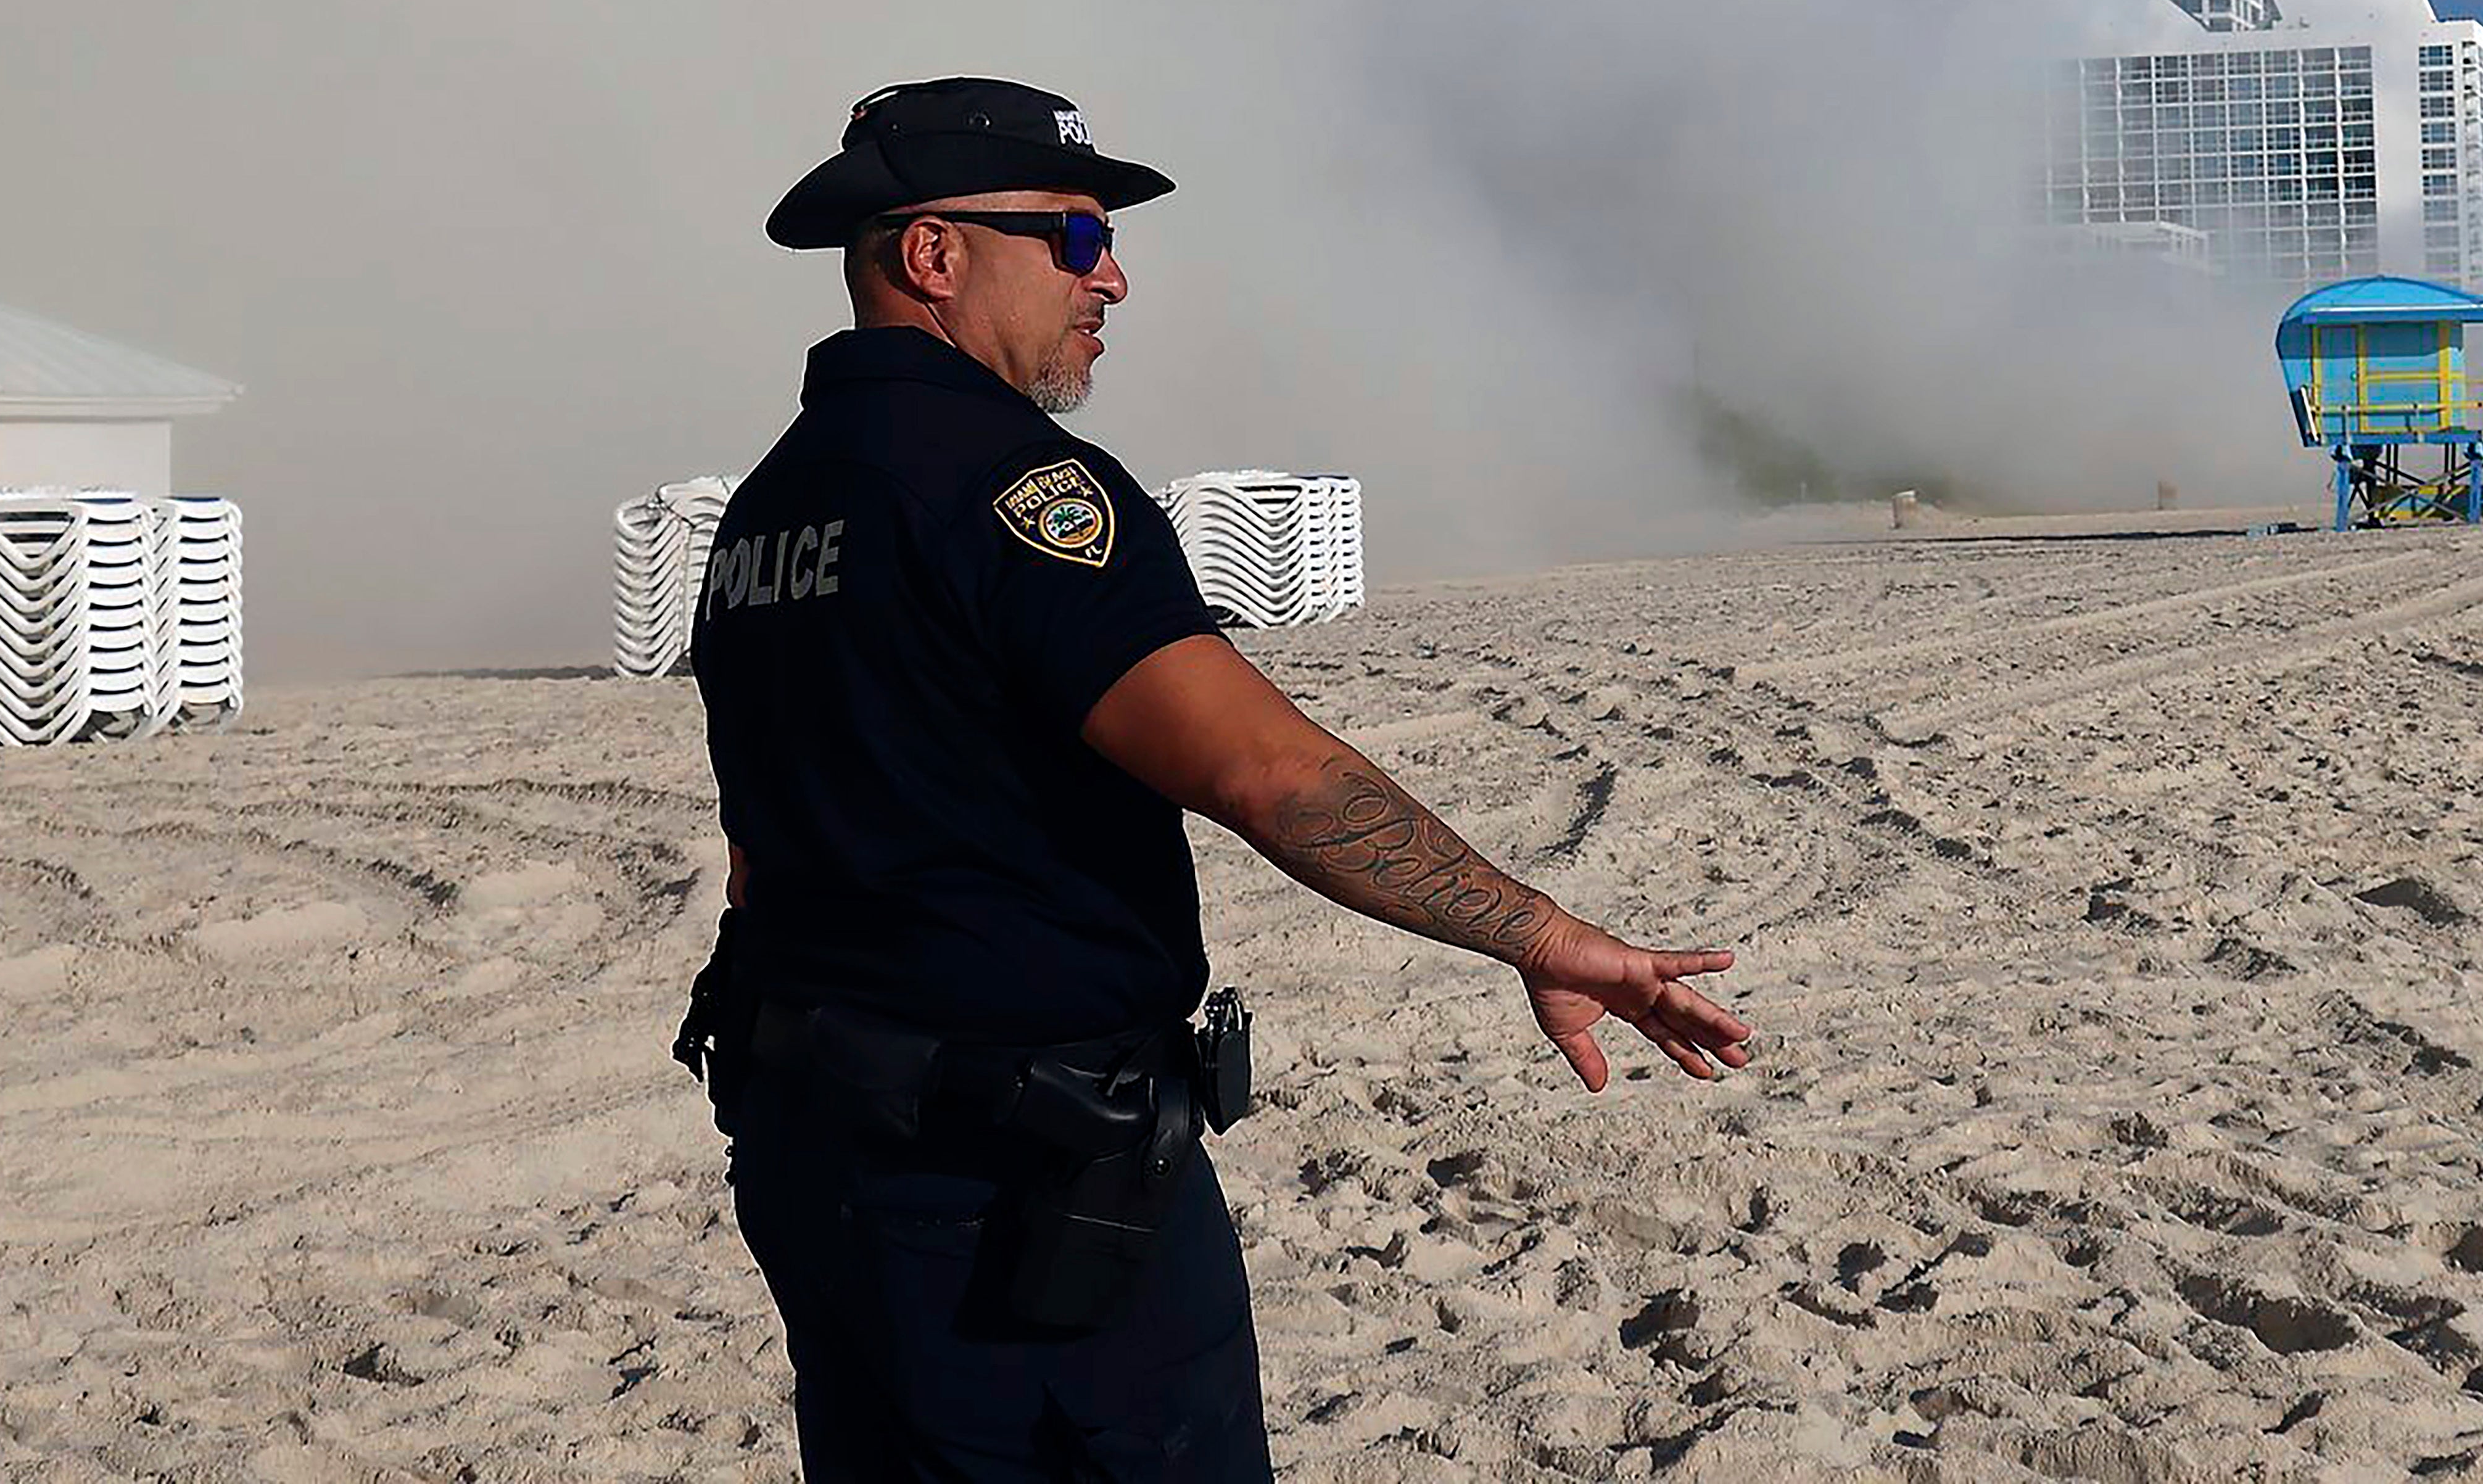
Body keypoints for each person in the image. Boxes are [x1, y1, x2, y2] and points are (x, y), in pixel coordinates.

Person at [686, 77, 1751, 1482]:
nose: (1112, 277)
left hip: (820, 1150)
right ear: (932, 255)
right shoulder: (1017, 490)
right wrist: (1545, 938)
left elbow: (766, 841)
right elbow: (1269, 774)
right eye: (1071, 239)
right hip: (1013, 1184)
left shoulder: (771, 505)